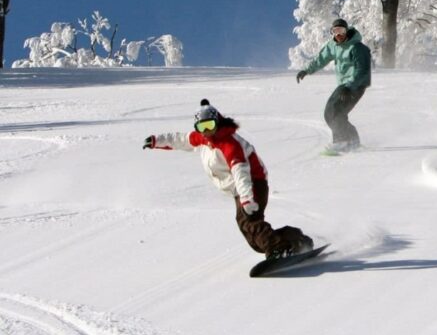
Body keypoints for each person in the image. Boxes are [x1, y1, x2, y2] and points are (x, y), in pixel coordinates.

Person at [143, 99, 314, 260]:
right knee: (253, 237)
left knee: (250, 224)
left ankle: (279, 249)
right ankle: (294, 239)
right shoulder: (202, 138)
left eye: (210, 125)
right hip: (239, 189)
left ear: (218, 122)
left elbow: (241, 172)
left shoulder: (229, 144)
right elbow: (180, 139)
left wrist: (247, 198)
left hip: (252, 184)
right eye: (202, 127)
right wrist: (156, 141)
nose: (207, 131)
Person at [295, 18, 372, 154]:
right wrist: (307, 70)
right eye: (335, 31)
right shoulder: (333, 46)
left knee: (336, 111)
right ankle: (352, 140)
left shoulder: (358, 47)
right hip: (343, 86)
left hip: (356, 85)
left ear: (347, 31)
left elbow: (362, 70)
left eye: (341, 30)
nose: (338, 34)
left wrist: (350, 86)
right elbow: (321, 59)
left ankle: (341, 142)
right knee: (329, 113)